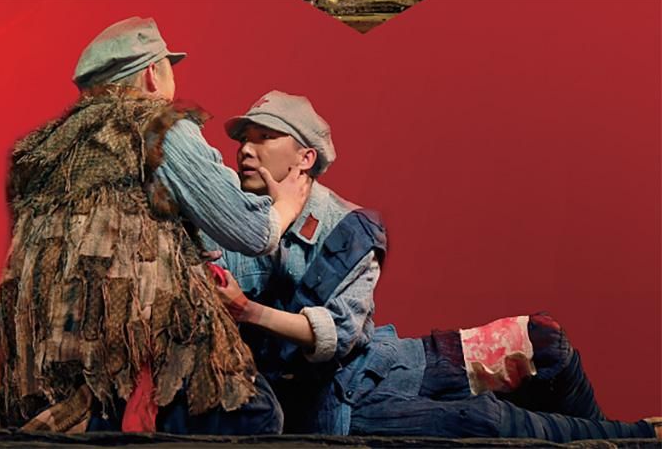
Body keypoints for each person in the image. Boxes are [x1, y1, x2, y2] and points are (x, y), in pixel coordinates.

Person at [209, 90, 660, 441]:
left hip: (382, 363)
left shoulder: (350, 225)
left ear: (306, 157)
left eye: (264, 137)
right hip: (331, 403)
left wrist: (249, 309)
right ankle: (637, 437)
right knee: (485, 423)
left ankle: (617, 438)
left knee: (542, 341)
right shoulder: (224, 224)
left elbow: (338, 335)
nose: (246, 149)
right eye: (244, 138)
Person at [0, 18, 311, 434]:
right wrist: (285, 207)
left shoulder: (47, 148)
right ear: (153, 74)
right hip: (130, 348)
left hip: (40, 357)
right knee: (256, 415)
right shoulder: (156, 127)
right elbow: (250, 232)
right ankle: (102, 424)